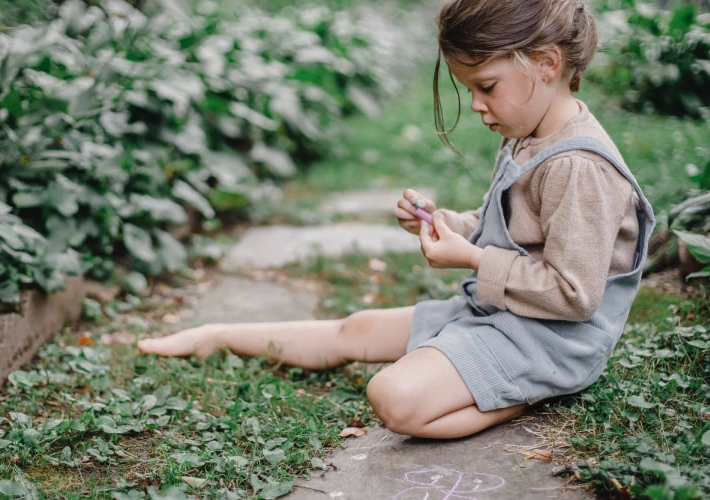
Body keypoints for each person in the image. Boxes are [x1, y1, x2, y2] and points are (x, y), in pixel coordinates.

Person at [138, 0, 655, 440]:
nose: (476, 104)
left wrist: (472, 258)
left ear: (546, 62)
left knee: (393, 397)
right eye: (469, 89)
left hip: (552, 341)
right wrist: (449, 223)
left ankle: (525, 393)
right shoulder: (532, 132)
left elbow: (574, 294)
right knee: (356, 330)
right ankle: (217, 334)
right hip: (504, 315)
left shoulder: (577, 167)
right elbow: (517, 227)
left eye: (487, 86)